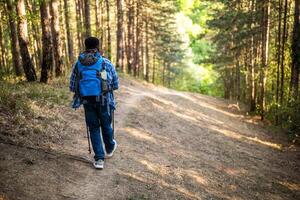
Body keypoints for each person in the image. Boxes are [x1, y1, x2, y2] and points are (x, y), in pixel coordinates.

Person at [69, 37, 119, 169]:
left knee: (93, 128)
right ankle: (109, 147)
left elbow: (72, 86)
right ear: (98, 46)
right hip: (103, 100)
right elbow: (115, 84)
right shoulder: (106, 62)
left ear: (85, 46)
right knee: (106, 125)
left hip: (87, 100)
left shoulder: (78, 63)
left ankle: (99, 159)